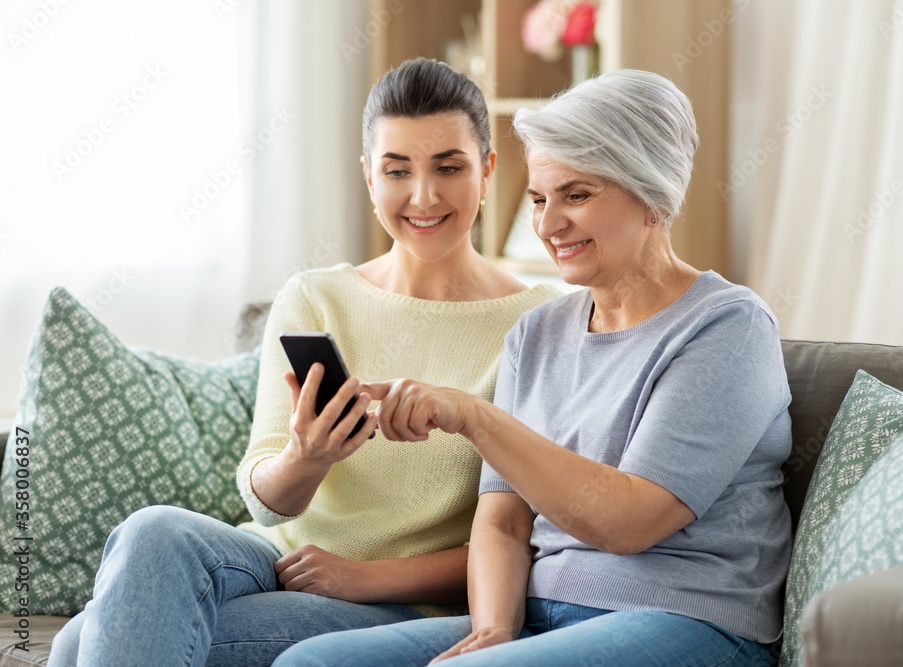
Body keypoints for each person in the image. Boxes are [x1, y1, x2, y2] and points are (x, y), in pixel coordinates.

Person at [48, 57, 559, 667]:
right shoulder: (315, 297)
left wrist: (363, 577)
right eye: (398, 171)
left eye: (449, 167)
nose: (424, 195)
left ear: (487, 170)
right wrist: (306, 458)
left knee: (82, 641)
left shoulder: (536, 324)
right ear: (370, 178)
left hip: (398, 604)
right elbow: (268, 500)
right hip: (272, 558)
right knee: (151, 530)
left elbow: (523, 535)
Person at [272, 69, 792, 667]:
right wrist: (494, 629)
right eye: (540, 200)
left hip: (687, 619)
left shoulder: (728, 327)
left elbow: (628, 521)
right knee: (310, 663)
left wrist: (475, 417)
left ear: (652, 193)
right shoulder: (537, 333)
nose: (547, 225)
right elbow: (503, 522)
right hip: (543, 616)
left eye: (576, 195)